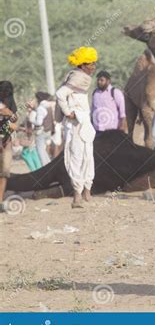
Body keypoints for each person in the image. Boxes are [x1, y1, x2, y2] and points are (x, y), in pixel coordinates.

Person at [55, 47, 97, 208]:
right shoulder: (76, 78)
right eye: (90, 64)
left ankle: (87, 190)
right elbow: (60, 94)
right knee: (76, 157)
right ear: (82, 65)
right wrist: (68, 113)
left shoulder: (82, 78)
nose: (93, 67)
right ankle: (77, 195)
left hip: (85, 122)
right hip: (74, 124)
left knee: (88, 156)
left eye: (94, 64)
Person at [0, 81, 18, 212]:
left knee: (4, 172)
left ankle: (0, 201)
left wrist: (10, 114)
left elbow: (14, 120)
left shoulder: (10, 104)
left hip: (6, 142)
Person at [26, 92, 55, 166]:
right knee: (43, 150)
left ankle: (45, 166)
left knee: (40, 150)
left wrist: (31, 120)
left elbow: (39, 122)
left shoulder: (40, 108)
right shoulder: (48, 106)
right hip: (48, 130)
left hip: (41, 131)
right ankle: (49, 165)